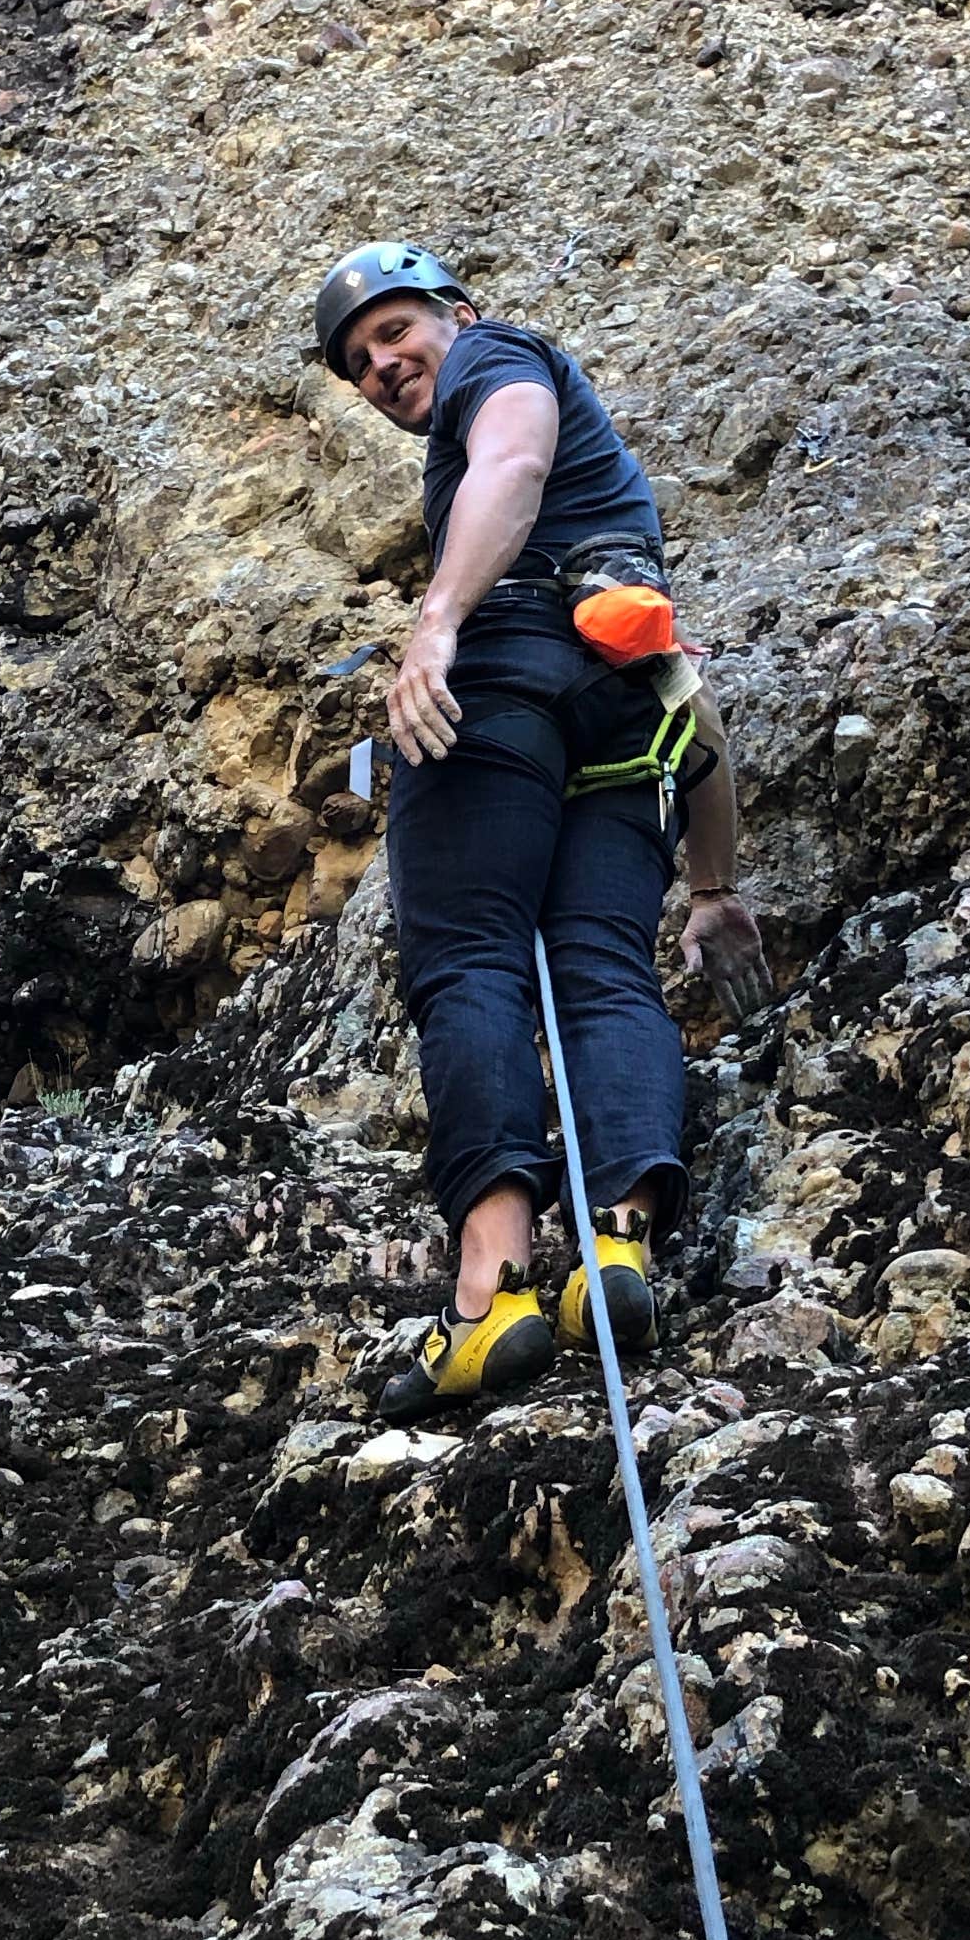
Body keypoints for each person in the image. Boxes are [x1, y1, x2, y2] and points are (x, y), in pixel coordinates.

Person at [313, 241, 768, 1424]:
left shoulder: (500, 361)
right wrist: (712, 886)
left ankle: (492, 1297)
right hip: (622, 706)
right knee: (604, 969)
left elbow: (507, 459)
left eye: (395, 330)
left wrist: (438, 625)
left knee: (469, 961)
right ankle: (618, 1258)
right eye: (362, 363)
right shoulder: (610, 519)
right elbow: (687, 696)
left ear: (455, 313)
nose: (383, 363)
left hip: (503, 685)